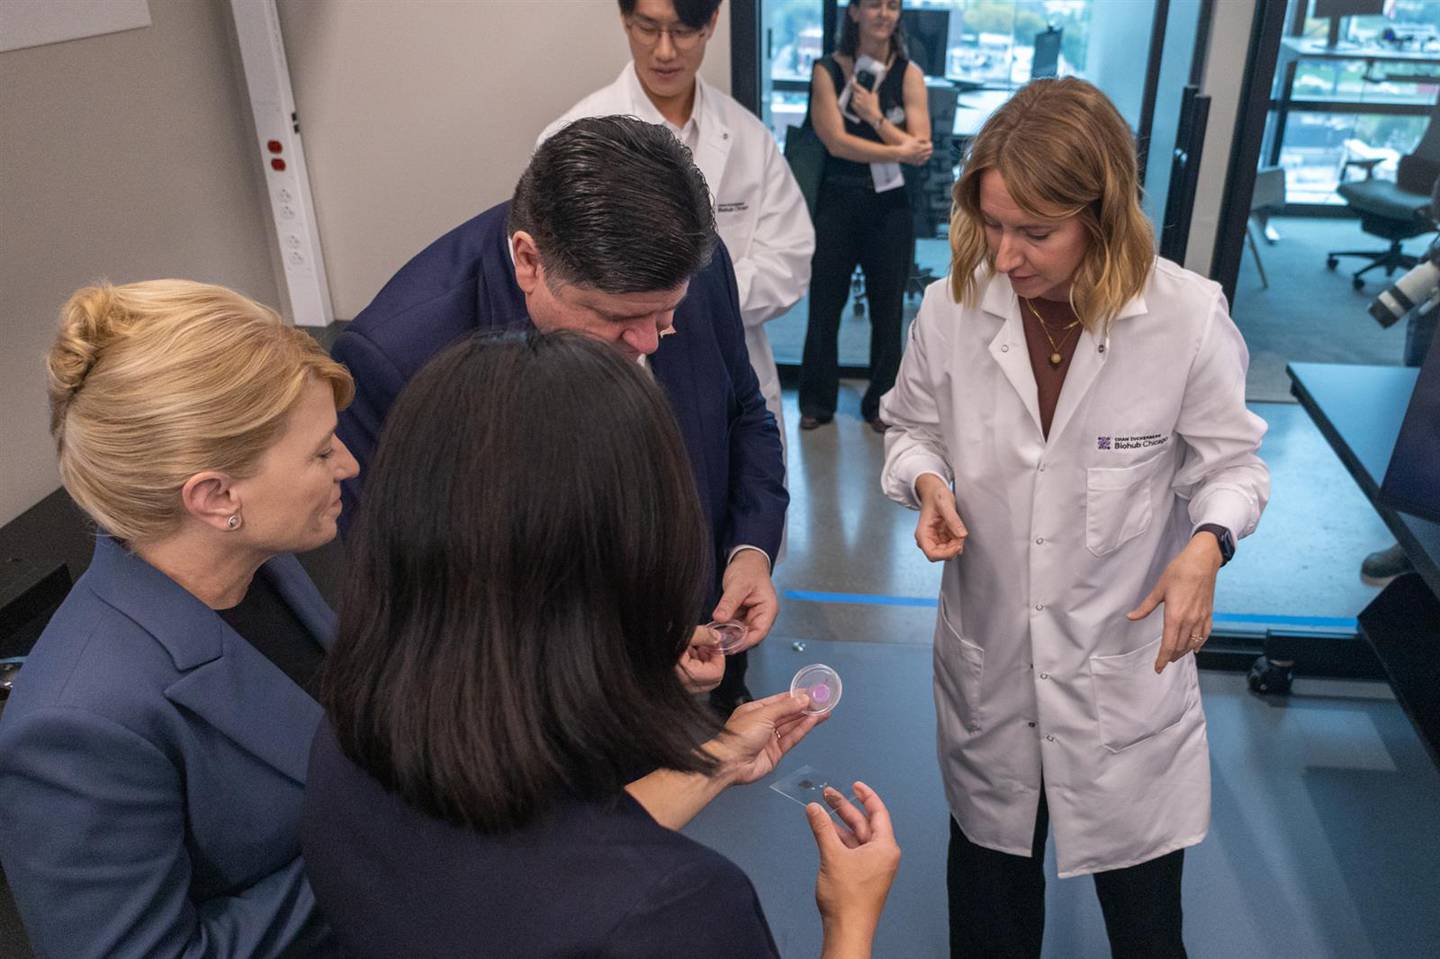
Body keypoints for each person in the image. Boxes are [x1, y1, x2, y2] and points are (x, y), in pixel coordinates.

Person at [302, 331, 901, 959]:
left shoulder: (344, 741)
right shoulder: (675, 911)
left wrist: (718, 756)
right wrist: (850, 919)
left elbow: (539, 856)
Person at [879, 78, 1271, 958]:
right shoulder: (950, 310)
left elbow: (1233, 465)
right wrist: (927, 481)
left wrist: (1208, 545)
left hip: (1121, 679)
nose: (1005, 255)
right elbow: (908, 428)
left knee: (1145, 930)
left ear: (1102, 215)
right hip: (994, 673)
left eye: (1035, 232)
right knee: (987, 924)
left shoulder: (1185, 318)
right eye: (992, 223)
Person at [332, 115, 784, 713]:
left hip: (699, 631)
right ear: (528, 261)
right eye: (617, 319)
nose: (650, 342)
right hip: (548, 704)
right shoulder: (400, 358)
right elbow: (418, 600)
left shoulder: (686, 261)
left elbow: (743, 411)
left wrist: (748, 551)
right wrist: (615, 662)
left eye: (666, 313)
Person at [0, 280, 358, 958]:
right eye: (320, 452)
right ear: (215, 495)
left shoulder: (273, 558)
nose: (348, 463)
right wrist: (392, 838)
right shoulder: (76, 726)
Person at [540, 0, 815, 456]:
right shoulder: (573, 136)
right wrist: (655, 304)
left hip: (729, 371)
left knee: (743, 507)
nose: (664, 51)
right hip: (614, 373)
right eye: (648, 28)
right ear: (625, 20)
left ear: (711, 23)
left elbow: (789, 259)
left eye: (683, 31)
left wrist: (689, 299)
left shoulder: (748, 136)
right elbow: (556, 276)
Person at [799, 0, 932, 433]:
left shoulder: (909, 74)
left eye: (892, 6)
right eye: (874, 5)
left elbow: (923, 145)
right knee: (824, 306)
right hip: (836, 202)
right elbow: (836, 142)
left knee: (888, 310)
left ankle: (882, 404)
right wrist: (899, 148)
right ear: (853, 13)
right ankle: (818, 403)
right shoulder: (829, 70)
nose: (884, 14)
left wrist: (875, 117)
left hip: (889, 208)